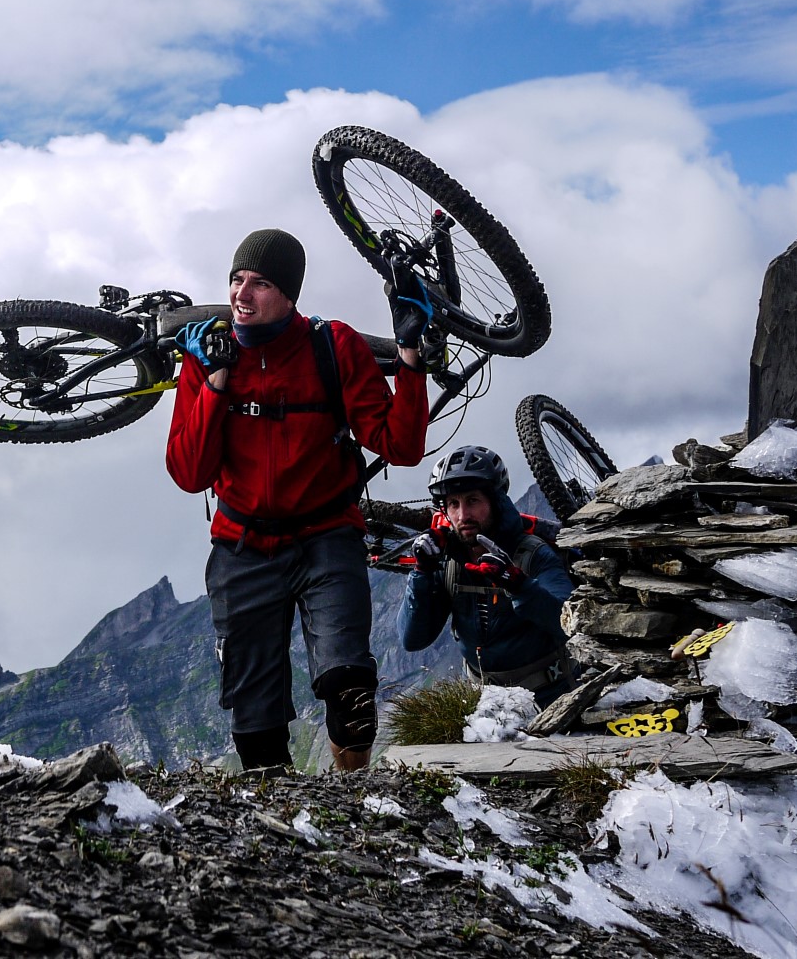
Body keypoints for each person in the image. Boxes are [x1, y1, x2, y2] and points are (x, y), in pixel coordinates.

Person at [165, 227, 432, 774]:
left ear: (290, 294)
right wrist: (215, 383)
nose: (242, 294)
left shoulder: (332, 346)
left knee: (351, 694)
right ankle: (283, 830)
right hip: (241, 547)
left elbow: (400, 447)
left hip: (326, 537)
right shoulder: (206, 358)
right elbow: (190, 474)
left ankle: (351, 801)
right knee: (255, 723)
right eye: (236, 280)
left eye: (260, 283)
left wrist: (410, 359)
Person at [398, 445, 578, 706]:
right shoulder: (446, 561)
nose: (463, 515)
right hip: (483, 705)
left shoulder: (533, 554)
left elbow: (569, 625)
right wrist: (422, 573)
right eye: (453, 504)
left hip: (554, 697)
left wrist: (519, 585)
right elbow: (412, 640)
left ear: (495, 501)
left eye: (473, 501)